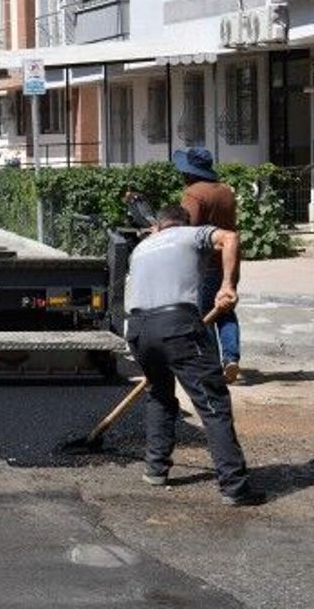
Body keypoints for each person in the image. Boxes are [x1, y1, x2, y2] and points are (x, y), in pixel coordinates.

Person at [125, 205, 265, 506]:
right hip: (177, 325)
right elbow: (230, 238)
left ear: (158, 226)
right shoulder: (191, 234)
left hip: (138, 330)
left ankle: (155, 469)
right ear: (183, 223)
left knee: (159, 395)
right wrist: (228, 285)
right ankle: (235, 487)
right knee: (213, 403)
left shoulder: (141, 248)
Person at [175, 147, 242, 384]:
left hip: (205, 264)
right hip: (229, 260)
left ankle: (213, 365)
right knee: (225, 308)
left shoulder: (193, 194)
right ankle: (231, 357)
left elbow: (186, 228)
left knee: (205, 314)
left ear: (189, 172)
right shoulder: (226, 191)